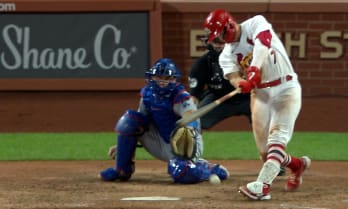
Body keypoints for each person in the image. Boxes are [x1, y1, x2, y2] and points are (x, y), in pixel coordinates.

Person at [203, 9, 311, 200]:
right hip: (260, 95)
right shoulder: (225, 55)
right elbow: (233, 77)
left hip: (285, 87)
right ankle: (296, 164)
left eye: (217, 35)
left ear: (228, 26)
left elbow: (263, 44)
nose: (216, 40)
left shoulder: (255, 23)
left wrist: (254, 69)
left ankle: (262, 187)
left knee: (277, 138)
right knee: (265, 151)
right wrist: (241, 84)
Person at [99, 58, 229, 184]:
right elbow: (140, 125)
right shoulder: (147, 96)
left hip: (184, 145)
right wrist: (125, 147)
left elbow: (191, 120)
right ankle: (121, 170)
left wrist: (188, 126)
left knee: (180, 172)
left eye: (167, 78)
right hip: (159, 138)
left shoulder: (181, 97)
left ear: (174, 79)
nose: (162, 82)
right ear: (152, 77)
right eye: (159, 77)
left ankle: (209, 169)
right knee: (129, 120)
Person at [188, 36, 286, 176]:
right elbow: (194, 96)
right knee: (194, 124)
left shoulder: (246, 56)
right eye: (216, 42)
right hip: (219, 98)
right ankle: (191, 161)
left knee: (267, 124)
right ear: (209, 43)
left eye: (223, 42)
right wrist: (191, 114)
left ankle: (274, 161)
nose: (219, 46)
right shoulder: (203, 63)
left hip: (250, 97)